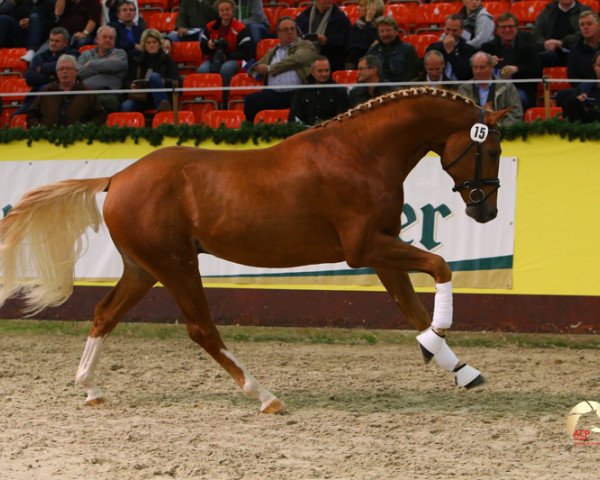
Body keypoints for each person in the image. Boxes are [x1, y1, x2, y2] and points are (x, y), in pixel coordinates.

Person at [244, 16, 318, 123]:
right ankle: (251, 133)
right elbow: (256, 68)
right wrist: (254, 69)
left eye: (292, 29)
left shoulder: (306, 45)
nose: (290, 32)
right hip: (274, 93)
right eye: (286, 29)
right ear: (278, 33)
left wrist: (270, 68)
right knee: (251, 101)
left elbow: (296, 60)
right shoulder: (273, 51)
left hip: (297, 92)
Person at [481, 12, 542, 110]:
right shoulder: (487, 48)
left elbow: (537, 71)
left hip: (520, 88)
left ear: (517, 28)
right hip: (492, 89)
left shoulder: (528, 47)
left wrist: (517, 69)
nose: (507, 30)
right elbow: (476, 71)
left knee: (513, 98)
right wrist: (487, 63)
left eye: (510, 26)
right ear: (497, 30)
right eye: (503, 27)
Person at [26, 54, 106, 127]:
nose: (64, 72)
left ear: (76, 71)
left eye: (68, 68)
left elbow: (100, 116)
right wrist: (38, 126)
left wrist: (86, 127)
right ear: (57, 73)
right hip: (48, 139)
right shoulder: (47, 91)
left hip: (80, 139)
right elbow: (31, 114)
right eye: (61, 69)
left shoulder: (87, 92)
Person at [17, 27, 80, 116]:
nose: (53, 44)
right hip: (36, 97)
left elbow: (67, 70)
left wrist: (42, 68)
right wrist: (52, 77)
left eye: (57, 41)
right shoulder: (39, 56)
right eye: (51, 40)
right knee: (15, 118)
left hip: (63, 98)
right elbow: (29, 78)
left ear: (65, 43)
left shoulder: (73, 54)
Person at [121, 28, 179, 113]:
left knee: (154, 77)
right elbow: (126, 81)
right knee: (126, 106)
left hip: (163, 96)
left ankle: (162, 110)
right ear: (144, 45)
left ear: (159, 44)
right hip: (142, 97)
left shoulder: (168, 60)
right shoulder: (137, 60)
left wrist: (164, 81)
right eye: (148, 42)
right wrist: (131, 85)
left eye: (154, 42)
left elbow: (177, 81)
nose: (152, 45)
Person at [458, 51, 523, 126]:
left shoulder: (507, 87)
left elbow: (515, 114)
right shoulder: (464, 89)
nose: (478, 71)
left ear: (491, 67)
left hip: (500, 133)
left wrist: (500, 129)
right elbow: (460, 115)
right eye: (475, 67)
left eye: (482, 67)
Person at [198, 0, 252, 88]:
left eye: (227, 9)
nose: (225, 12)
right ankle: (208, 98)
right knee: (202, 70)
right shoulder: (210, 26)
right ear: (218, 12)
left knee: (226, 69)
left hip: (235, 60)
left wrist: (227, 56)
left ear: (232, 10)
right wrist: (208, 45)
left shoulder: (241, 28)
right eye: (222, 10)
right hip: (212, 58)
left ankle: (225, 98)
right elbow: (202, 48)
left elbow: (246, 52)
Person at [76, 25, 128, 113]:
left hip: (109, 95)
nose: (108, 40)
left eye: (111, 38)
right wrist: (103, 66)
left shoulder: (120, 54)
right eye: (104, 37)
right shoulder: (86, 54)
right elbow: (77, 72)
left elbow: (115, 65)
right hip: (85, 93)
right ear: (97, 39)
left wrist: (90, 64)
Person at [288, 56, 348, 125]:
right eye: (320, 71)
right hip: (305, 131)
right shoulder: (302, 91)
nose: (324, 74)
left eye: (326, 70)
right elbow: (294, 116)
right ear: (312, 72)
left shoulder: (339, 91)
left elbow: (342, 118)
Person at [532, 0, 592, 67]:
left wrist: (562, 42)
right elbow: (536, 33)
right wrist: (545, 43)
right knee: (530, 58)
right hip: (550, 51)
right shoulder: (548, 10)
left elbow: (586, 31)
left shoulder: (584, 10)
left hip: (576, 50)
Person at [296, 0, 351, 72]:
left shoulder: (341, 18)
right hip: (306, 58)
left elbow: (345, 42)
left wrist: (326, 41)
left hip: (331, 62)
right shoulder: (304, 15)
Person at [366, 16, 419, 84]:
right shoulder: (373, 51)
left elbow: (412, 75)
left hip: (401, 91)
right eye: (382, 31)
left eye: (388, 30)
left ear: (396, 32)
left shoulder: (408, 50)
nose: (385, 34)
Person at [426, 15, 478, 82]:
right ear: (444, 28)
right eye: (448, 29)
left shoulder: (469, 50)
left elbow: (465, 76)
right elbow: (430, 72)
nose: (450, 33)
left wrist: (451, 53)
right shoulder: (434, 48)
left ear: (461, 30)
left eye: (454, 30)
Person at [344, 0, 384, 70]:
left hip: (375, 61)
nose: (358, 8)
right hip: (356, 60)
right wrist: (367, 46)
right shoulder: (356, 26)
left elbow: (376, 45)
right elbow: (350, 46)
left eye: (362, 6)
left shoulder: (383, 25)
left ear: (373, 8)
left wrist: (368, 22)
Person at [562, 51, 600, 122]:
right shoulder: (583, 88)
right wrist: (577, 102)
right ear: (594, 67)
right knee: (570, 101)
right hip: (587, 128)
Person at [567, 11, 600, 84]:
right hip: (584, 91)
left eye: (589, 24)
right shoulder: (575, 50)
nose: (585, 27)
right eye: (582, 25)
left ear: (598, 25)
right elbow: (573, 79)